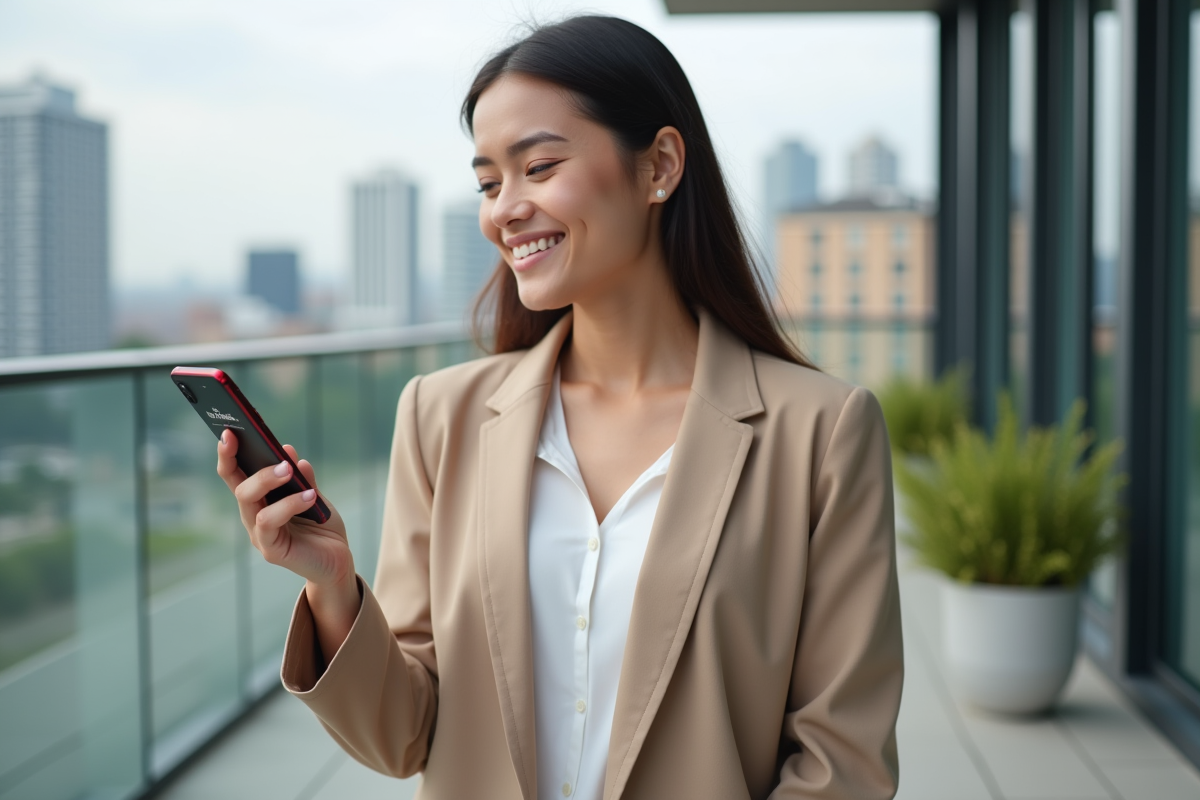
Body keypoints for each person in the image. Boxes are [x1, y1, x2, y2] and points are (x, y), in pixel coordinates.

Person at [218, 15, 902, 800]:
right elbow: (405, 735)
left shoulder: (821, 433)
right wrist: (334, 586)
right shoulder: (440, 417)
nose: (503, 209)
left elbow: (841, 761)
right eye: (486, 182)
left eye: (538, 166)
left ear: (660, 167)